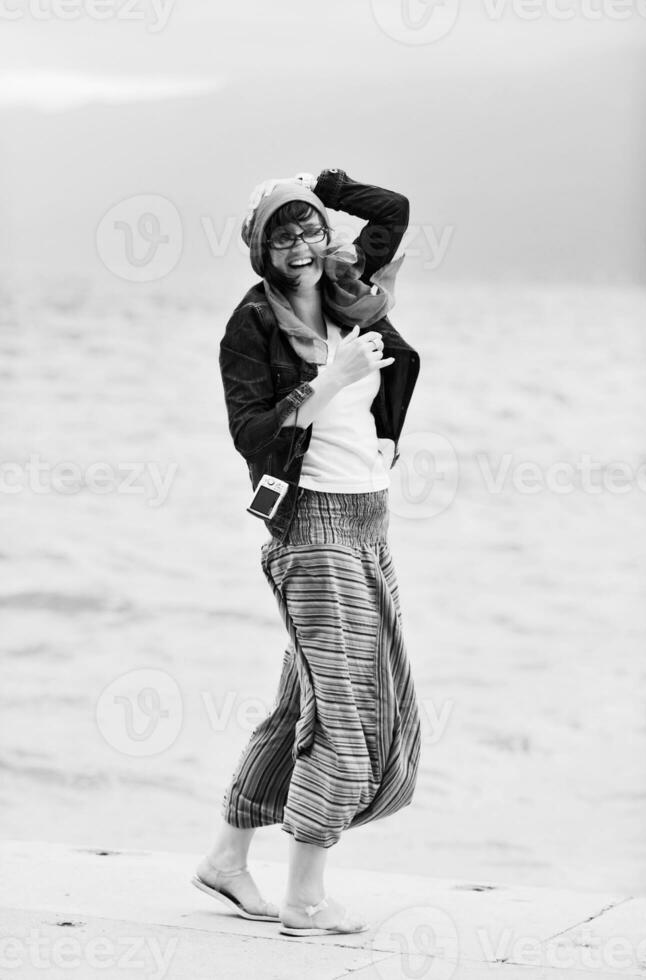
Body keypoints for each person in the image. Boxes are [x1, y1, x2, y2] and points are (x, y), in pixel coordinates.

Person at [192, 168, 422, 937]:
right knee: (345, 711)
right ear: (260, 246)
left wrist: (329, 186)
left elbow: (393, 211)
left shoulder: (348, 291)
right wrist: (329, 380)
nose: (300, 245)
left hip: (369, 519)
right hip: (312, 530)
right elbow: (255, 434)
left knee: (302, 701)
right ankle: (306, 898)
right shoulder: (251, 324)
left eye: (310, 228)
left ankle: (226, 859)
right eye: (282, 233)